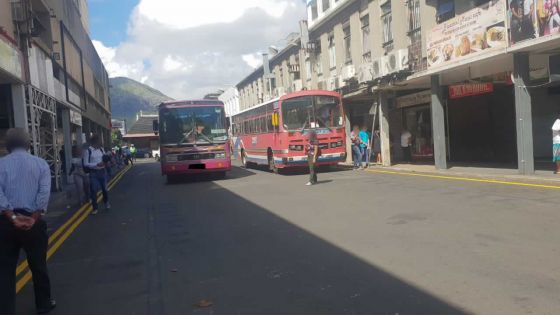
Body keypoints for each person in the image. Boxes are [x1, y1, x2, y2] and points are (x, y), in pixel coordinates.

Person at [0, 128, 56, 315]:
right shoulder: (40, 164)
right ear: (29, 144)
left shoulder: (0, 165)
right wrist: (33, 218)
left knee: (5, 269)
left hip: (6, 223)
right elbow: (43, 194)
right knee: (38, 265)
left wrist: (12, 217)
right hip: (33, 221)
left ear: (7, 147)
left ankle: (6, 309)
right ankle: (44, 304)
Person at [83, 135, 110, 215]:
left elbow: (105, 158)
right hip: (93, 173)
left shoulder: (101, 149)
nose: (101, 143)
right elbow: (85, 164)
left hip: (102, 171)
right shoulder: (88, 151)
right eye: (99, 141)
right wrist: (96, 164)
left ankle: (106, 202)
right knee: (93, 190)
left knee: (104, 189)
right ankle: (95, 208)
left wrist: (106, 161)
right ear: (94, 142)